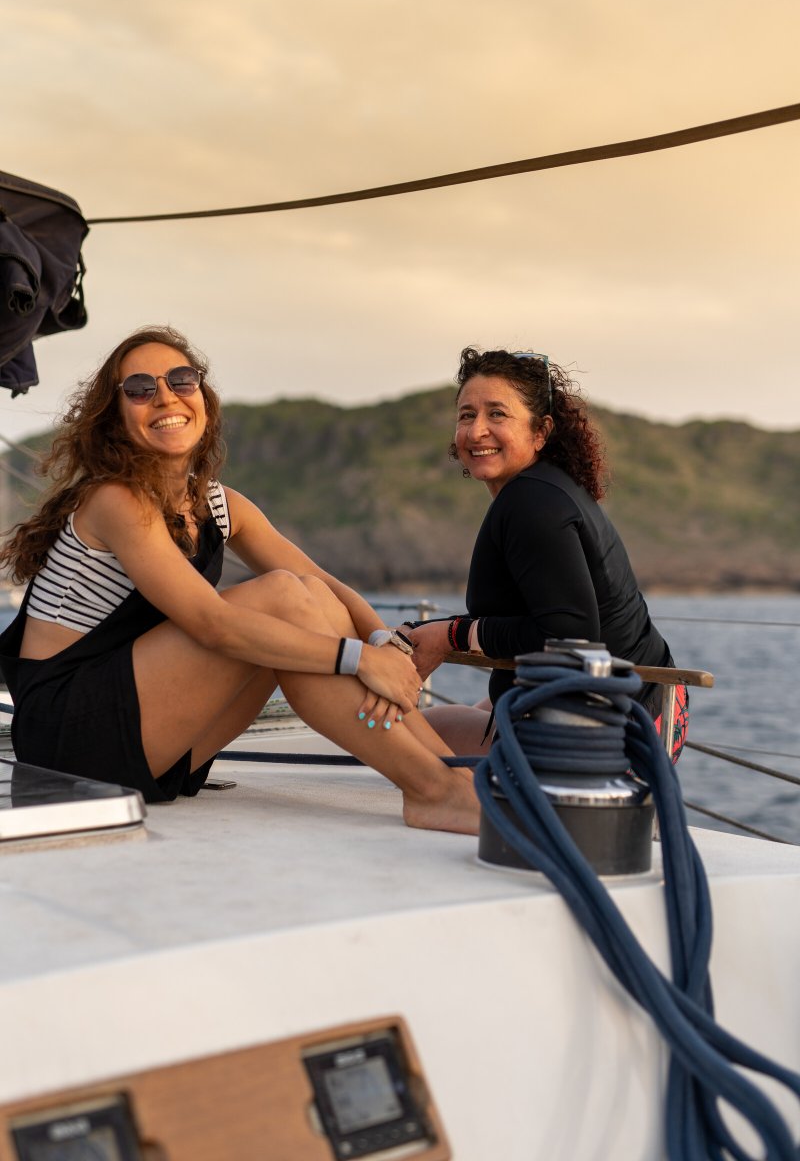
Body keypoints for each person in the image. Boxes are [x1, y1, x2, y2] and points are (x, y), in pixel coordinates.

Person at [0, 326, 479, 834]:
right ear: (116, 417)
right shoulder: (116, 500)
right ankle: (434, 790)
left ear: (202, 397)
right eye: (140, 389)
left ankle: (451, 777)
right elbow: (213, 625)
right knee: (280, 599)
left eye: (181, 380)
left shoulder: (215, 503)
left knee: (309, 596)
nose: (165, 396)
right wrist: (361, 659)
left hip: (146, 734)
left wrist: (382, 643)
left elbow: (322, 580)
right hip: (68, 740)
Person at [400, 348, 688, 760]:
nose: (477, 430)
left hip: (610, 733)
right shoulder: (542, 489)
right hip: (650, 711)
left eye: (497, 414)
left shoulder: (530, 502)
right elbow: (539, 619)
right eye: (467, 415)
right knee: (464, 715)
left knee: (406, 736)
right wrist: (437, 630)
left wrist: (450, 636)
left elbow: (568, 637)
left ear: (540, 431)